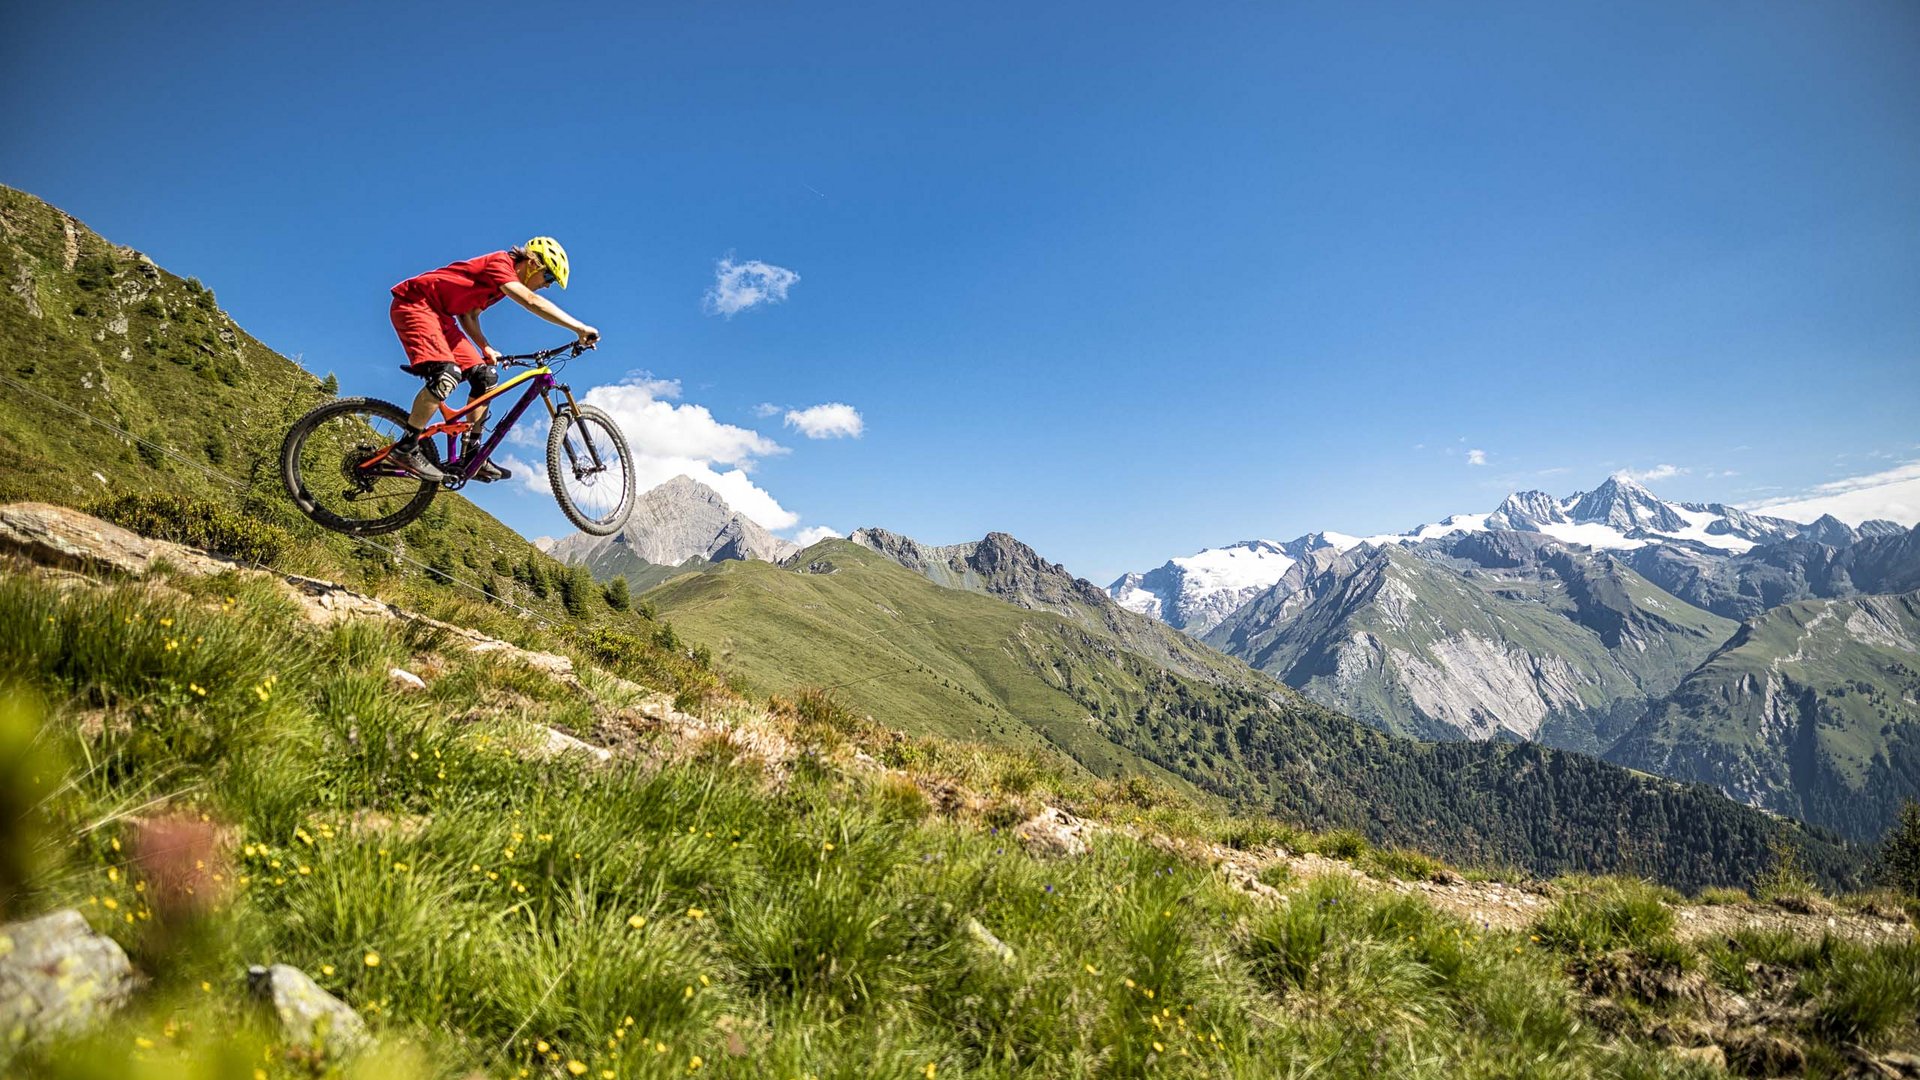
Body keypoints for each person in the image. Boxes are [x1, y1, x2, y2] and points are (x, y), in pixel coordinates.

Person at [386, 237, 599, 481]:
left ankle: (472, 455)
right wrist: (579, 328)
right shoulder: (500, 263)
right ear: (532, 263)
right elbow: (531, 301)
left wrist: (485, 347)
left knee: (485, 376)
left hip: (443, 318)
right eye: (549, 277)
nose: (547, 286)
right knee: (447, 375)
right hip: (416, 305)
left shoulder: (498, 288)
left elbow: (469, 315)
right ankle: (406, 448)